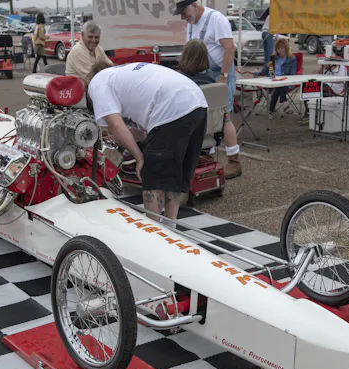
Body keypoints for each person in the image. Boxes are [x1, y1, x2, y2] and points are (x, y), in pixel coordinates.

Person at [85, 61, 208, 222]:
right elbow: (141, 134)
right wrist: (118, 138)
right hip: (197, 102)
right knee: (174, 174)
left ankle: (154, 228)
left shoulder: (97, 83)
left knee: (152, 177)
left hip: (171, 106)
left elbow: (115, 125)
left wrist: (139, 158)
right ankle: (171, 225)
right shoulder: (123, 79)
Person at [175, 0, 242, 179]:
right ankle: (206, 155)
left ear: (194, 4)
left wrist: (223, 77)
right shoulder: (191, 24)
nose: (183, 17)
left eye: (184, 12)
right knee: (203, 116)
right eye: (180, 13)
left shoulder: (216, 19)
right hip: (202, 76)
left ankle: (234, 161)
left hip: (220, 73)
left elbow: (229, 49)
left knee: (223, 116)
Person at [267, 38, 297, 120]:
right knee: (279, 86)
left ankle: (271, 111)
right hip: (273, 80)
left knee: (280, 86)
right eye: (278, 48)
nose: (280, 50)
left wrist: (282, 79)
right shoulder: (274, 58)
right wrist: (272, 58)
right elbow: (269, 73)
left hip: (286, 81)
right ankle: (285, 104)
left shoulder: (292, 59)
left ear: (286, 48)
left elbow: (292, 73)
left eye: (282, 48)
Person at [258, 7, 273, 76]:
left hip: (263, 32)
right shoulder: (274, 17)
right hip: (268, 33)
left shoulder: (269, 16)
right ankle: (271, 73)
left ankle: (265, 72)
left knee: (266, 54)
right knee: (271, 55)